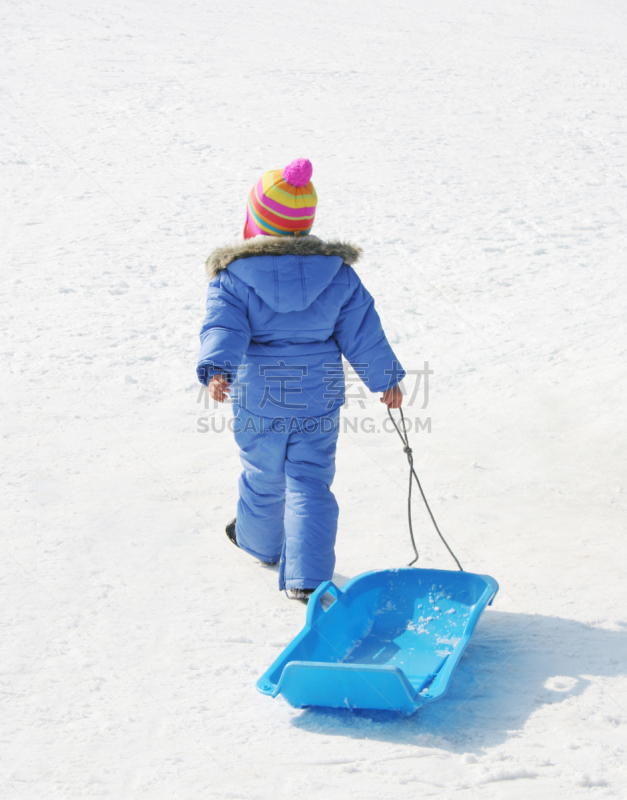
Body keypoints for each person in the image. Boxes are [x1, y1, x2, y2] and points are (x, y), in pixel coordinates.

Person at [197, 158, 404, 600]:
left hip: (261, 395)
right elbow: (362, 330)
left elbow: (225, 328)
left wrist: (218, 368)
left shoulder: (232, 278)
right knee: (309, 479)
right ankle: (307, 578)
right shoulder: (338, 275)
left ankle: (258, 541)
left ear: (254, 223)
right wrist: (385, 378)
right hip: (318, 394)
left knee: (262, 472)